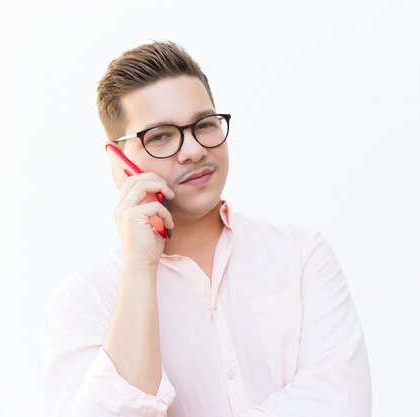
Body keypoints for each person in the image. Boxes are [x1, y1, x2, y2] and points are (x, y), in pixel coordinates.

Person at [42, 40, 371, 417]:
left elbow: (340, 402)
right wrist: (139, 269)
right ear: (120, 164)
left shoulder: (300, 256)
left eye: (204, 125)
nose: (194, 150)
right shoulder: (85, 304)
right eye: (161, 136)